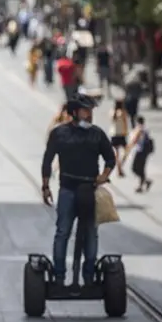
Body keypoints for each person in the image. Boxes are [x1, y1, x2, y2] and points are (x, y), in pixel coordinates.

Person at [41, 95, 116, 286]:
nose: (89, 115)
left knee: (91, 231)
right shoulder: (59, 133)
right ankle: (59, 276)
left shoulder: (97, 134)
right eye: (85, 110)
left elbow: (110, 158)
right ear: (74, 112)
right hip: (67, 189)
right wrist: (45, 186)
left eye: (91, 111)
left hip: (89, 191)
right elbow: (47, 160)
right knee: (63, 231)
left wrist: (104, 175)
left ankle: (89, 276)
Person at [123, 116, 154, 193]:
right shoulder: (145, 129)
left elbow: (134, 140)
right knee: (141, 168)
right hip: (144, 151)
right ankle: (142, 185)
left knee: (135, 168)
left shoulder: (139, 129)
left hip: (140, 151)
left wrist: (128, 148)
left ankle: (145, 182)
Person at [109, 99, 129, 177]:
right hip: (121, 134)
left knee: (116, 153)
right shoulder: (123, 112)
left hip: (113, 134)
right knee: (126, 151)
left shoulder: (112, 112)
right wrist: (126, 131)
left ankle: (119, 169)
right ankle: (120, 166)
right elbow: (125, 123)